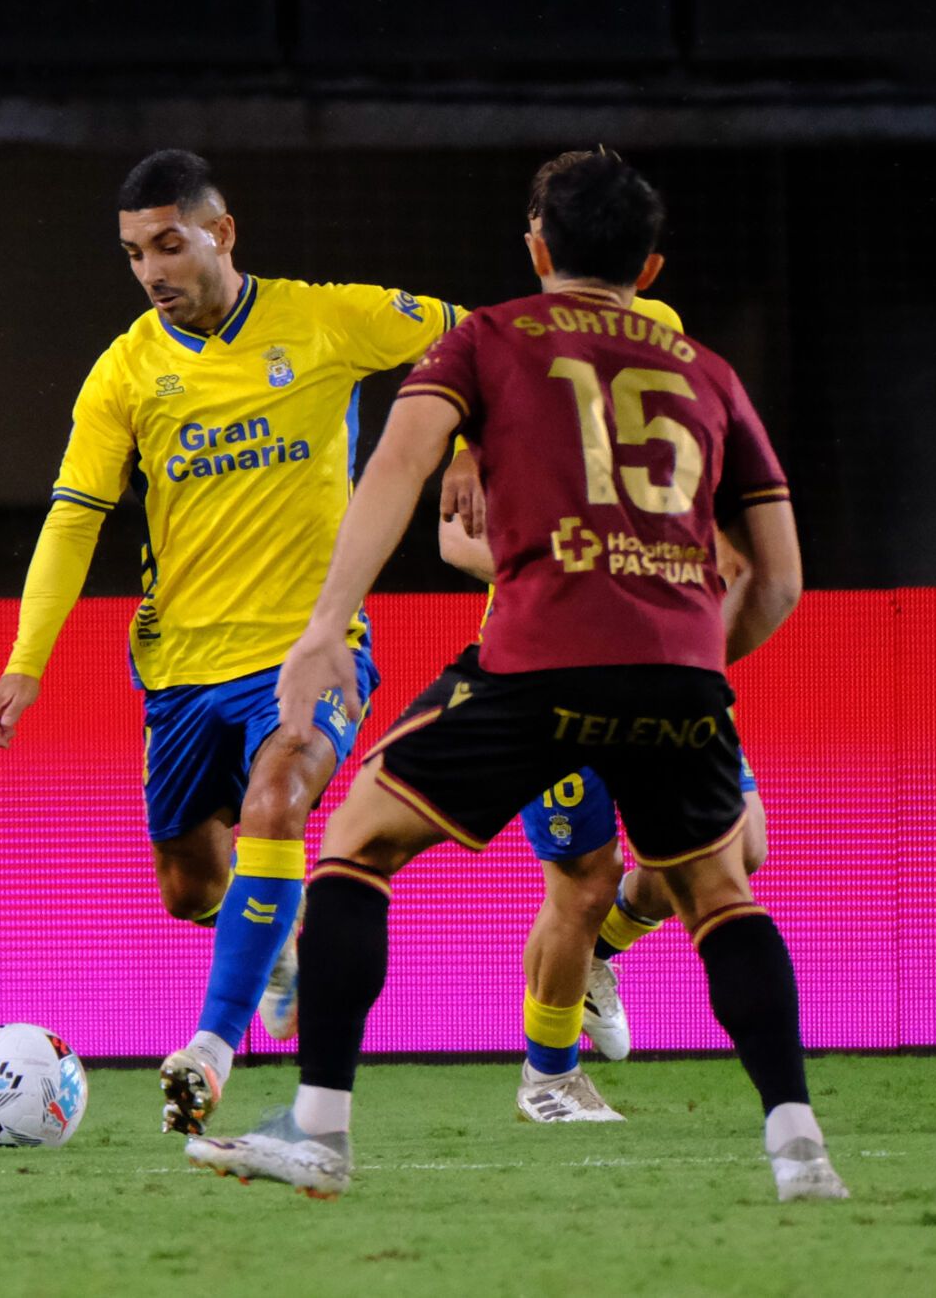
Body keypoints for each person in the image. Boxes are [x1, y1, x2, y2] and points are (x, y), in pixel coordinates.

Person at [187, 148, 845, 1202]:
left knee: (354, 845)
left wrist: (322, 627)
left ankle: (319, 1131)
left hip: (536, 658)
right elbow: (778, 581)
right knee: (721, 892)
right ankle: (797, 1144)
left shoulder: (483, 338)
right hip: (679, 670)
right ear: (651, 263)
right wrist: (688, 660)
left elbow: (394, 470)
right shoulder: (709, 373)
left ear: (535, 245)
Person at [0, 148, 461, 1136]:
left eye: (167, 244)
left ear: (220, 232)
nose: (150, 270)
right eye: (131, 254)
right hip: (179, 670)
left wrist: (481, 445)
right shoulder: (125, 370)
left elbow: (479, 342)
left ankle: (209, 1047)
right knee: (188, 886)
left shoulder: (326, 318)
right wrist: (26, 660)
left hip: (307, 651)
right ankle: (269, 943)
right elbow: (74, 518)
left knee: (278, 797)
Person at [439, 445, 770, 1122]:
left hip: (668, 665)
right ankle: (549, 1078)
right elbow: (454, 540)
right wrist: (572, 572)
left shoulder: (668, 399)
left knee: (739, 849)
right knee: (582, 886)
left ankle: (600, 953)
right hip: (551, 672)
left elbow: (733, 554)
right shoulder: (512, 399)